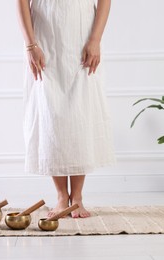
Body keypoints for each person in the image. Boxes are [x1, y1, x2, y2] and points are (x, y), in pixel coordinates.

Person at [17, 0, 115, 218]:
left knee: (81, 114)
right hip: (44, 38)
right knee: (51, 115)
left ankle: (77, 197)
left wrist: (96, 40)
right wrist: (30, 44)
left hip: (82, 37)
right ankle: (62, 196)